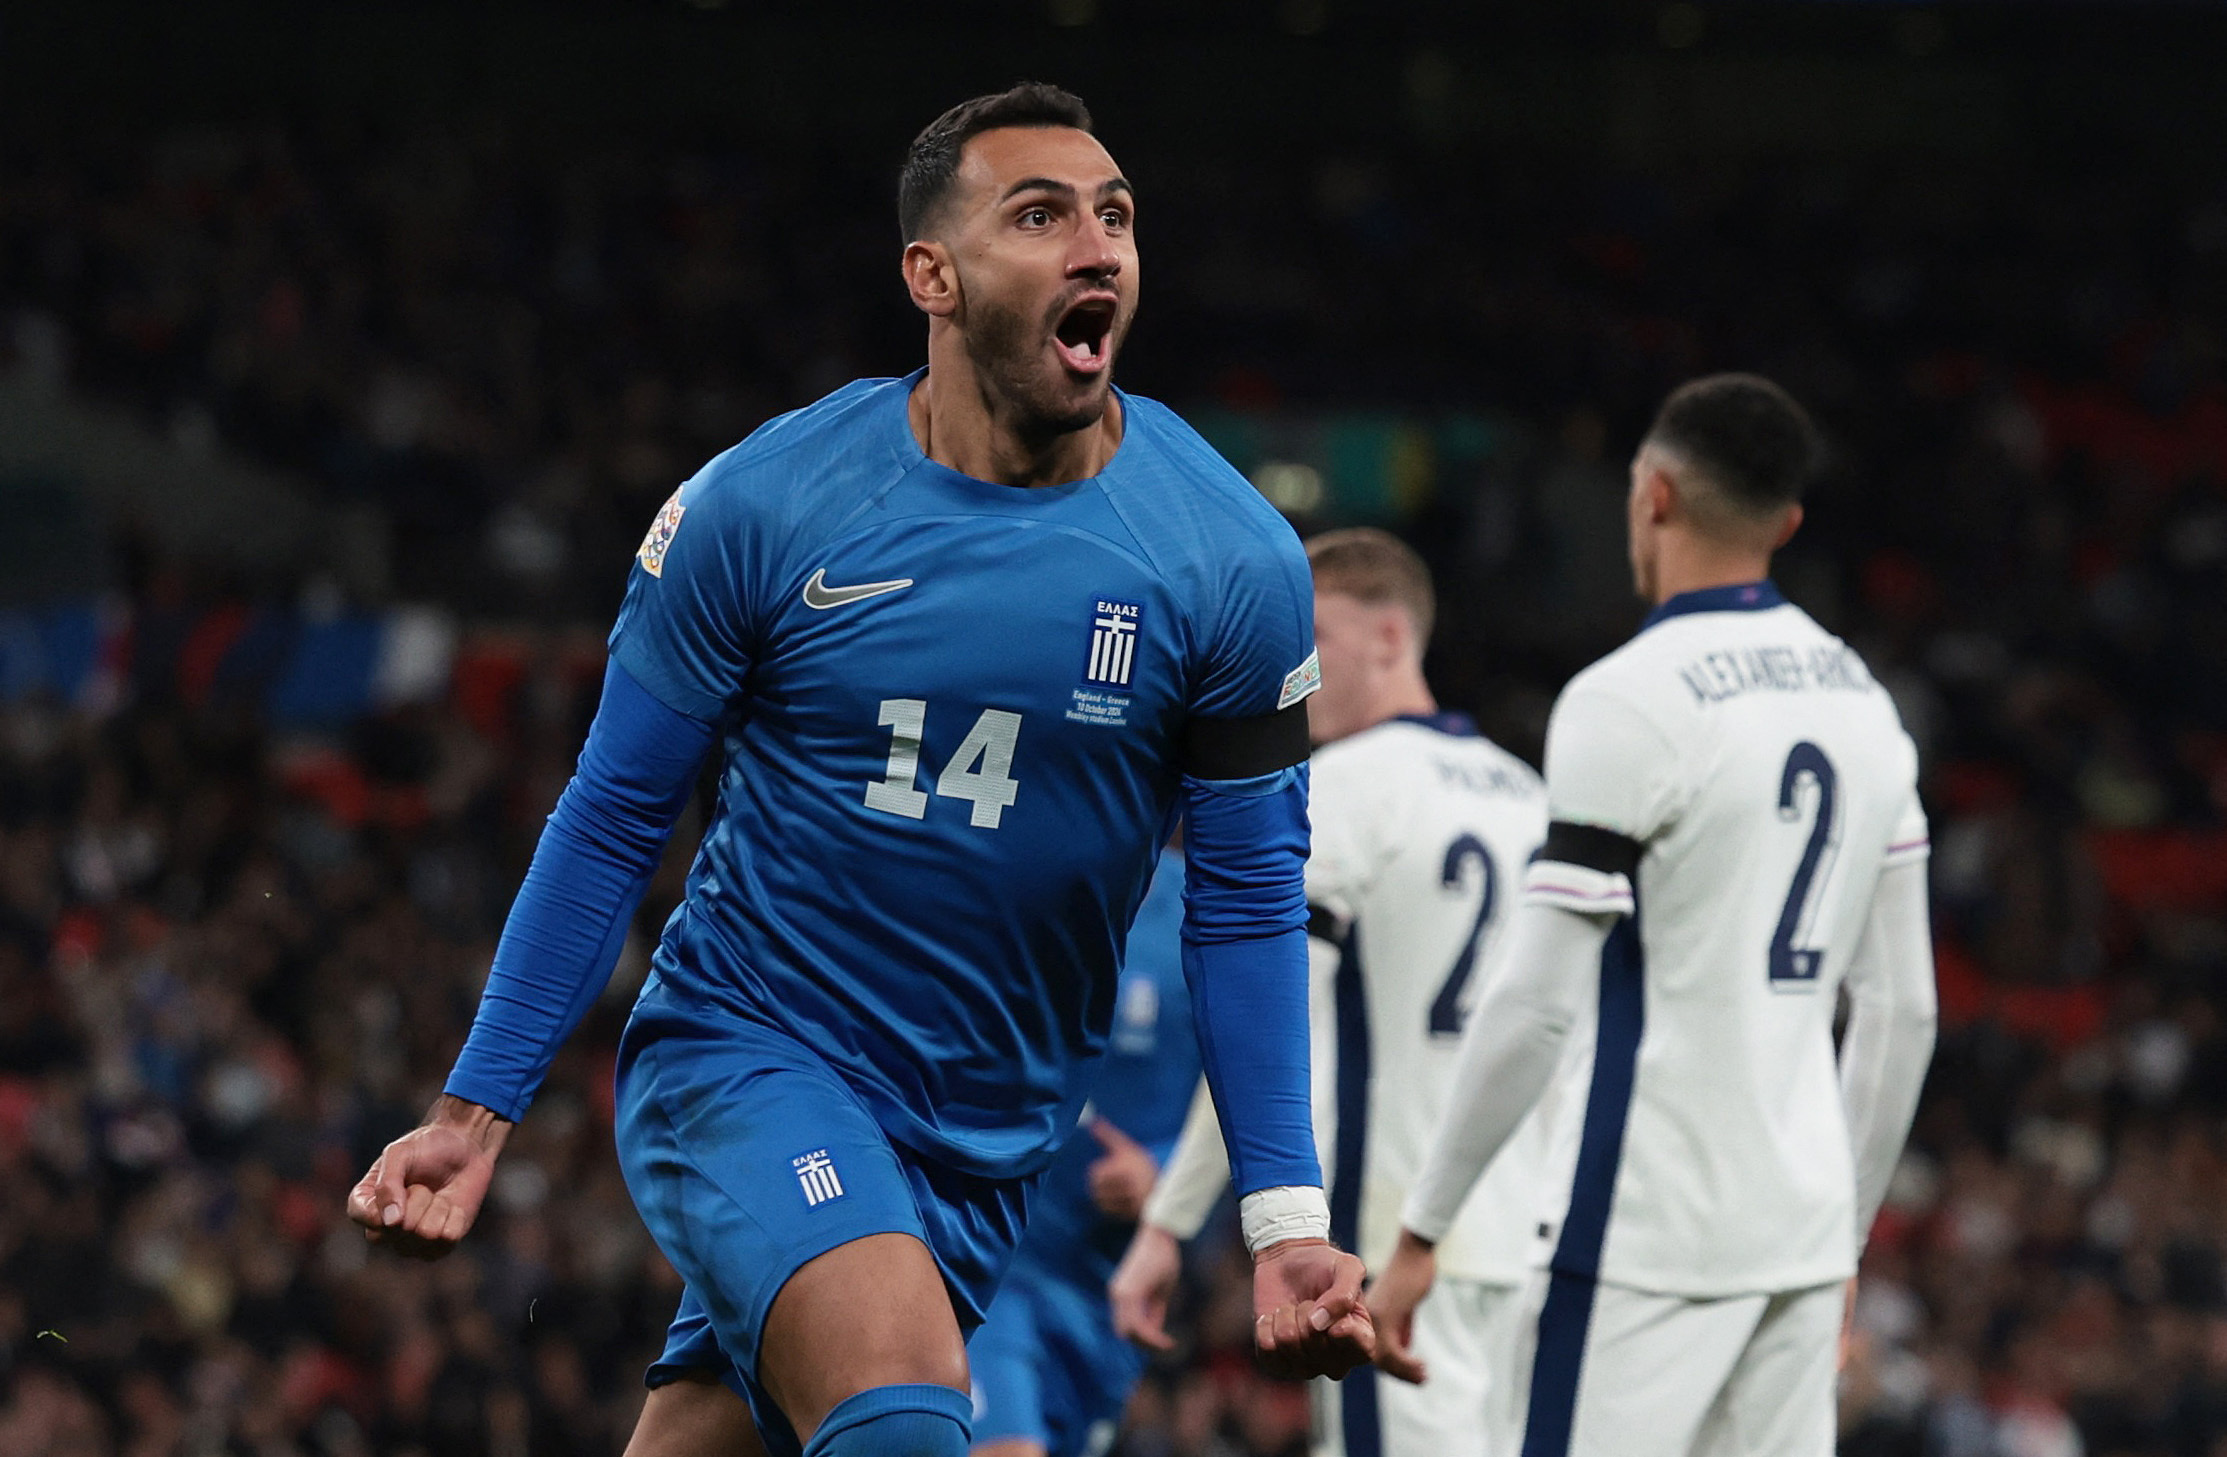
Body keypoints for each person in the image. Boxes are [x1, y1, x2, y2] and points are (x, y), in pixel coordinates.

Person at [343, 83, 1373, 1457]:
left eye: (1113, 216)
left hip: (987, 1139)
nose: (1095, 245)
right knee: (903, 1410)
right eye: (1039, 214)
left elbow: (1244, 901)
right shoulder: (764, 508)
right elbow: (611, 815)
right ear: (930, 276)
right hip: (750, 1056)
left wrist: (1283, 1219)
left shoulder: (1227, 561)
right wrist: (475, 1112)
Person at [1369, 374, 1939, 1457]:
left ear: (1656, 495)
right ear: (1788, 523)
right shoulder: (1867, 701)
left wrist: (1422, 1224)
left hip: (1639, 1230)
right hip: (1804, 1235)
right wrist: (1844, 1235)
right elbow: (1902, 1011)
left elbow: (1535, 1002)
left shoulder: (1628, 697)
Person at [1109, 528, 1551, 1457]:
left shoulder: (1338, 785)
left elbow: (1270, 1034)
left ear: (1390, 636)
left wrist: (1167, 1222)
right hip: (1520, 1245)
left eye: (1315, 639)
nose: (1292, 665)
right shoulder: (1529, 795)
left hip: (1381, 1253)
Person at [968, 846, 1200, 1457]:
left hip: (1109, 1279)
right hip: (993, 1256)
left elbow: (1251, 1094)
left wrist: (1163, 1171)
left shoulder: (1213, 914)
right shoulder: (1011, 872)